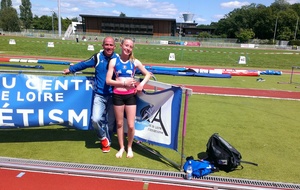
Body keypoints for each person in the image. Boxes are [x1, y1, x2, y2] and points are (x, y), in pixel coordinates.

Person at [63, 36, 118, 153]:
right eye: (106, 45)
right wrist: (71, 69)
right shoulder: (97, 57)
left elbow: (129, 67)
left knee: (111, 122)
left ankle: (107, 143)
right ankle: (103, 138)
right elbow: (84, 64)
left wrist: (145, 71)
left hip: (114, 95)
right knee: (95, 119)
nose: (109, 47)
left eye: (111, 45)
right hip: (100, 95)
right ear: (103, 46)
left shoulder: (118, 58)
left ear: (114, 46)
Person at [106, 37, 151, 158]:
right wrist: (123, 84)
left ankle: (129, 147)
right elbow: (108, 80)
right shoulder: (114, 62)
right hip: (118, 96)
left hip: (131, 95)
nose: (128, 48)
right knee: (120, 124)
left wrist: (141, 84)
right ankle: (121, 147)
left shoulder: (135, 62)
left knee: (131, 125)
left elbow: (147, 74)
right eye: (126, 45)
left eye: (130, 47)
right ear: (121, 46)